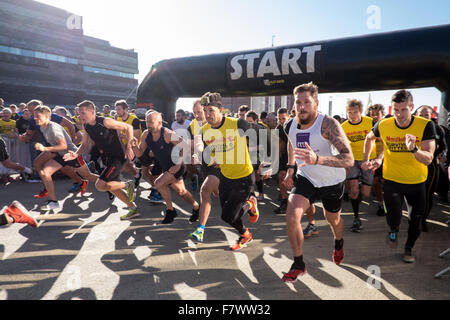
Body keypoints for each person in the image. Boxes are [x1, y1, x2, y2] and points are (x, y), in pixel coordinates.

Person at [281, 82, 354, 283]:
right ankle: (298, 264)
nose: (301, 107)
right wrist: (290, 168)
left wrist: (317, 159)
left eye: (306, 102)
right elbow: (291, 142)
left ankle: (338, 242)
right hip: (307, 178)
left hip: (332, 181)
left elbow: (349, 159)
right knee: (292, 216)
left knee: (333, 220)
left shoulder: (328, 124)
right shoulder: (289, 124)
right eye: (298, 102)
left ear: (316, 103)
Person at [363, 90, 436, 263]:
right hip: (392, 181)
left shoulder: (425, 125)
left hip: (416, 182)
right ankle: (393, 229)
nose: (399, 114)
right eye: (396, 109)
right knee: (393, 216)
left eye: (404, 110)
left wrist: (413, 149)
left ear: (411, 107)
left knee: (415, 221)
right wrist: (369, 159)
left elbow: (428, 159)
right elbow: (369, 138)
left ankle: (409, 248)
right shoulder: (384, 124)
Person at [198, 92, 267, 251]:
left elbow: (263, 135)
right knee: (227, 216)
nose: (208, 115)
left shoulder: (238, 124)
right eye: (205, 111)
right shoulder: (204, 130)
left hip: (244, 176)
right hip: (225, 176)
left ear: (220, 110)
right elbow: (211, 149)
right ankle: (245, 234)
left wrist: (268, 161)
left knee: (229, 215)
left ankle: (250, 203)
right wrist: (214, 159)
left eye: (211, 110)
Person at [64, 100, 139, 220]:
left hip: (118, 157)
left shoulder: (105, 122)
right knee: (111, 187)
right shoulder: (86, 126)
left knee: (100, 185)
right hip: (108, 158)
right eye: (79, 113)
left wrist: (129, 147)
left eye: (83, 113)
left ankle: (127, 184)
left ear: (92, 112)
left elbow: (128, 127)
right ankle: (133, 209)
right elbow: (84, 145)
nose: (80, 116)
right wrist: (75, 154)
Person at [131, 111, 199, 224]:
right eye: (147, 122)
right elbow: (139, 154)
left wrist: (178, 165)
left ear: (159, 122)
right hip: (166, 167)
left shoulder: (167, 134)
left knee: (158, 183)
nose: (148, 124)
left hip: (177, 166)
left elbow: (185, 146)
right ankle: (197, 207)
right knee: (181, 191)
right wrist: (133, 146)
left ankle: (170, 210)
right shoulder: (146, 134)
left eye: (151, 122)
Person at [32, 106, 95, 211]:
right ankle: (53, 202)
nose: (34, 118)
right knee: (45, 172)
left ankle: (109, 183)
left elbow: (63, 146)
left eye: (37, 116)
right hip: (60, 155)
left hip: (71, 154)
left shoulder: (53, 128)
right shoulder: (43, 127)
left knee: (88, 176)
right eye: (34, 116)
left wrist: (44, 148)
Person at [341, 99, 377, 232]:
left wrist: (379, 158)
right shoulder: (344, 126)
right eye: (349, 112)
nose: (352, 115)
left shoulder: (370, 122)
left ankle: (361, 184)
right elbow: (341, 145)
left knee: (366, 193)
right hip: (353, 161)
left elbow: (381, 139)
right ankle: (356, 218)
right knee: (354, 191)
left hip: (367, 159)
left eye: (355, 112)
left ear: (360, 112)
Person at [188, 101, 222, 242]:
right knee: (219, 194)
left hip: (220, 164)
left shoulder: (218, 123)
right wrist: (197, 152)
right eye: (194, 112)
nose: (197, 115)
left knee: (205, 190)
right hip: (206, 163)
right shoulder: (194, 125)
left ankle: (200, 229)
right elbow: (197, 142)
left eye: (199, 112)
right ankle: (247, 203)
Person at [415, 105, 446, 232]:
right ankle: (414, 217)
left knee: (428, 194)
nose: (423, 117)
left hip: (431, 165)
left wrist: (440, 153)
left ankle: (423, 219)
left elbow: (443, 146)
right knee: (413, 194)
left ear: (431, 115)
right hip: (413, 165)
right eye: (420, 115)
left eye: (426, 115)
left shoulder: (437, 129)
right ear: (415, 115)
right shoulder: (410, 127)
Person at [115, 100, 142, 188]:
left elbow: (136, 138)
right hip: (125, 144)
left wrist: (125, 137)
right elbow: (119, 137)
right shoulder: (118, 119)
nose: (117, 112)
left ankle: (138, 174)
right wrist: (123, 149)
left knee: (124, 164)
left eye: (119, 109)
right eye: (116, 109)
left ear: (126, 109)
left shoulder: (134, 120)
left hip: (136, 146)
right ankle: (137, 175)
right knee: (125, 164)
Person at [367, 104, 386, 216]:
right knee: (375, 183)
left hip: (388, 159)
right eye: (372, 114)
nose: (374, 116)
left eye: (377, 114)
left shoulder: (388, 125)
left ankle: (389, 203)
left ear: (383, 114)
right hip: (374, 159)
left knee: (387, 184)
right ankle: (381, 204)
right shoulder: (369, 126)